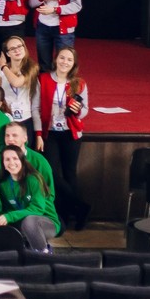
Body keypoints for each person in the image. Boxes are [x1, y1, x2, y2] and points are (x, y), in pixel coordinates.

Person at [35, 46, 91, 230]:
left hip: (71, 132)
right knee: (52, 173)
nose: (65, 62)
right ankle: (81, 207)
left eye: (69, 59)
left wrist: (77, 111)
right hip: (50, 133)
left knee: (70, 173)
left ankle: (69, 214)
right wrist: (38, 134)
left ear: (74, 64)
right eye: (62, 58)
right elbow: (36, 107)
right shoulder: (43, 79)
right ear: (55, 59)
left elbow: (85, 110)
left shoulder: (79, 83)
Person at [0, 146, 60, 253]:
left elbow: (37, 209)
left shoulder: (33, 179)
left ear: (22, 161)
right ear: (3, 165)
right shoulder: (4, 184)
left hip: (45, 222)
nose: (11, 162)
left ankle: (44, 254)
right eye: (7, 159)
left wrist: (10, 216)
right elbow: (6, 210)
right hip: (22, 222)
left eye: (15, 158)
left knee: (29, 222)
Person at [0, 122, 54, 200]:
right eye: (7, 135)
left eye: (14, 135)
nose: (10, 139)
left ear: (25, 138)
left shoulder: (39, 161)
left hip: (36, 206)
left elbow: (49, 193)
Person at [0, 35, 38, 137]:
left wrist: (3, 66)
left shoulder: (31, 67)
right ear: (7, 53)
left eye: (19, 46)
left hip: (25, 116)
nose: (17, 50)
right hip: (6, 115)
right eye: (12, 49)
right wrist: (3, 108)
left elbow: (16, 83)